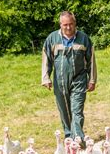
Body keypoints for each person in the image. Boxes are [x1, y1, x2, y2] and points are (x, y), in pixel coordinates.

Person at [41, 11, 97, 142]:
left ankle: (78, 137)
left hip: (79, 79)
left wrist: (92, 79)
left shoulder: (84, 38)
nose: (68, 27)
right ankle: (68, 136)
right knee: (64, 109)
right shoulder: (52, 38)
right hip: (59, 81)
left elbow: (91, 60)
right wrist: (46, 77)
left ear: (75, 23)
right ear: (60, 24)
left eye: (71, 24)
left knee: (76, 109)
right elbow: (46, 58)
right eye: (65, 25)